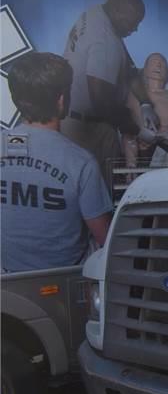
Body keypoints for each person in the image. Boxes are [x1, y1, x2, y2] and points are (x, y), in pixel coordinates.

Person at [1, 52, 113, 273]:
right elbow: (105, 237)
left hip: (7, 285)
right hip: (63, 284)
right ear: (61, 100)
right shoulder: (81, 163)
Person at [61, 0, 148, 186]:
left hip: (75, 121)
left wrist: (145, 103)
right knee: (98, 189)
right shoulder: (105, 38)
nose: (135, 28)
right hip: (88, 129)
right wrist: (134, 128)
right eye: (133, 22)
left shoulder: (95, 14)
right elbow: (101, 100)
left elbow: (129, 65)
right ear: (118, 11)